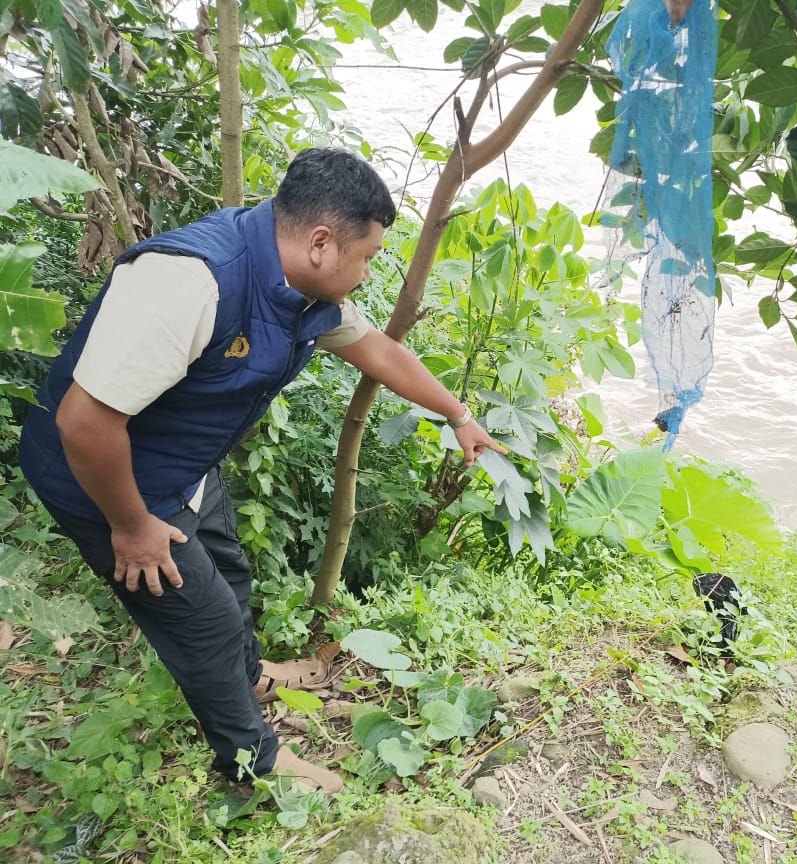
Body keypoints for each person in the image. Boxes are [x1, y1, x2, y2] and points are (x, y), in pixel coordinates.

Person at [19, 148, 504, 793]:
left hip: (182, 463)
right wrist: (132, 527)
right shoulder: (191, 281)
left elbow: (380, 352)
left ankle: (250, 674)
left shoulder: (302, 289)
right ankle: (253, 763)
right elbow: (83, 424)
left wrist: (458, 414)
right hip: (103, 478)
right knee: (205, 620)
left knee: (231, 571)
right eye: (366, 258)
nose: (365, 275)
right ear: (322, 243)